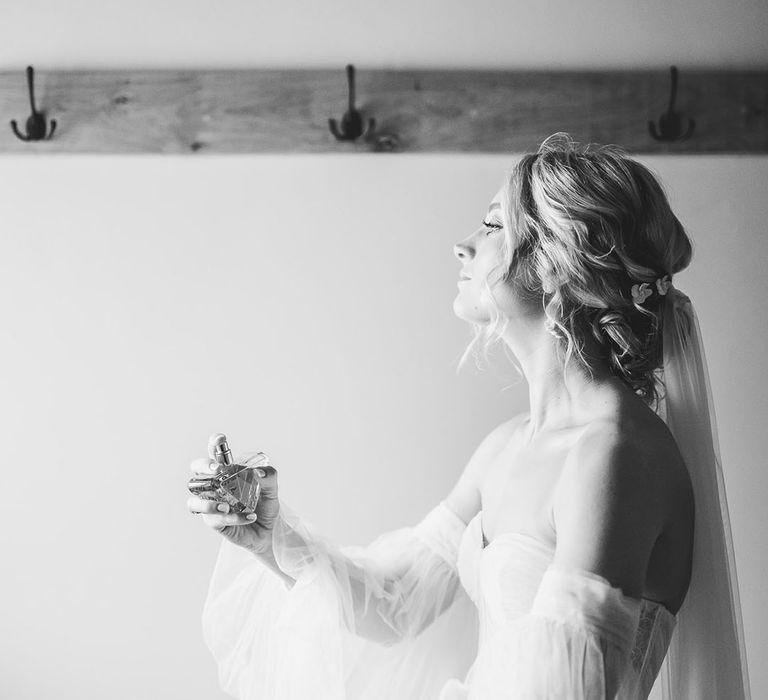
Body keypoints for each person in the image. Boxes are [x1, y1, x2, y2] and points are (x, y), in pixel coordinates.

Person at [187, 133, 750, 699]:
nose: (463, 245)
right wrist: (270, 537)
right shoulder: (506, 446)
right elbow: (395, 603)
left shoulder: (613, 455)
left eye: (492, 226)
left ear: (558, 262)